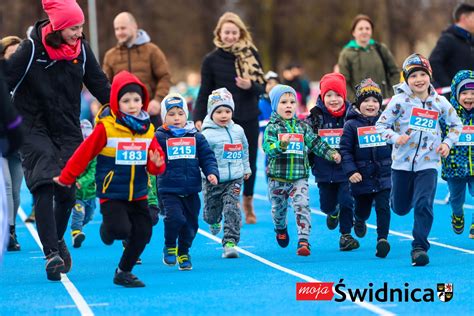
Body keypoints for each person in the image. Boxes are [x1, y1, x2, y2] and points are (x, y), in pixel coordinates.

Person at [5, 0, 111, 281]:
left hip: (66, 128)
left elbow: (99, 83)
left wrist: (122, 110)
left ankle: (58, 238)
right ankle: (51, 253)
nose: (79, 32)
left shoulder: (82, 51)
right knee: (43, 183)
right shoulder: (30, 49)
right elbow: (6, 82)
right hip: (32, 126)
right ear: (59, 26)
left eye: (81, 27)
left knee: (67, 190)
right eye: (74, 27)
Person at [55, 70, 166, 287]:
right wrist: (67, 177)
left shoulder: (148, 129)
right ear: (116, 102)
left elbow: (155, 166)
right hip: (112, 193)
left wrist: (157, 164)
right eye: (126, 100)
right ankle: (106, 229)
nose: (133, 104)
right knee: (120, 230)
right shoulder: (106, 128)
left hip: (138, 194)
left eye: (137, 99)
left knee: (143, 233)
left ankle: (123, 271)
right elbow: (83, 154)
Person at [376, 53, 462, 266]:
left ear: (429, 76)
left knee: (424, 203)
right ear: (406, 79)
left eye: (422, 74)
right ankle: (397, 200)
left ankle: (419, 247)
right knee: (400, 207)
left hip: (428, 163)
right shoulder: (399, 101)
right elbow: (380, 126)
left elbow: (456, 125)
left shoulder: (440, 102)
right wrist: (397, 138)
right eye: (413, 76)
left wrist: (447, 144)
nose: (419, 80)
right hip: (402, 164)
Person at [193, 12, 265, 224]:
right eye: (227, 32)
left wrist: (250, 85)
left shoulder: (251, 54)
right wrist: (198, 115)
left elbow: (263, 87)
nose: (231, 36)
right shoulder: (211, 60)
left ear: (240, 33)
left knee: (249, 161)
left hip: (248, 115)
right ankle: (219, 201)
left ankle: (248, 202)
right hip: (221, 119)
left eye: (234, 32)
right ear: (219, 34)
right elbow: (204, 90)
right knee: (218, 160)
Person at [263, 84, 341, 256]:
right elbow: (268, 148)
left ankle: (303, 241)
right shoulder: (272, 128)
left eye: (292, 101)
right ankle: (280, 228)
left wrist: (331, 153)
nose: (289, 105)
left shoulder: (302, 127)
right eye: (283, 102)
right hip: (278, 178)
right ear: (275, 106)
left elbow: (316, 143)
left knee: (302, 205)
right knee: (278, 210)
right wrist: (279, 145)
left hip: (299, 178)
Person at [157, 93, 219, 270]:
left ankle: (183, 251)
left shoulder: (196, 136)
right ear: (164, 117)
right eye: (171, 114)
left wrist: (211, 172)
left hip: (191, 189)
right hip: (169, 188)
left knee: (192, 225)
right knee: (174, 218)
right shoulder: (160, 137)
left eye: (180, 113)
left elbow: (207, 157)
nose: (176, 118)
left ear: (186, 115)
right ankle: (170, 245)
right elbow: (152, 157)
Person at [305, 73, 359, 251]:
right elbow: (305, 136)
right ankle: (332, 212)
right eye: (329, 95)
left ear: (344, 96)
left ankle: (346, 235)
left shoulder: (352, 116)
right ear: (322, 96)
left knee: (347, 201)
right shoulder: (315, 117)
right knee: (326, 206)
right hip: (324, 171)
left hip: (346, 169)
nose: (333, 99)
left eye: (337, 95)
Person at [340, 79, 392, 258]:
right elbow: (345, 151)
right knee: (363, 209)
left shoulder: (386, 123)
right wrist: (351, 171)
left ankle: (382, 239)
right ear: (358, 103)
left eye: (375, 101)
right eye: (366, 101)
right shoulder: (350, 125)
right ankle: (359, 219)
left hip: (384, 175)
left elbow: (394, 144)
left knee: (384, 207)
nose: (371, 105)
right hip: (361, 177)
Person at [201, 88, 251, 258]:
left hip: (234, 178)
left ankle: (230, 242)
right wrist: (206, 173)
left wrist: (246, 168)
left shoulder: (238, 130)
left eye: (228, 111)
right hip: (213, 180)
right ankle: (214, 221)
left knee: (232, 207)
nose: (224, 115)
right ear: (211, 112)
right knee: (210, 214)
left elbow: (244, 149)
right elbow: (201, 157)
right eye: (219, 111)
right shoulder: (206, 134)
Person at [103, 12, 171, 127]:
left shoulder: (152, 50)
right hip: (121, 117)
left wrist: (157, 100)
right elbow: (104, 84)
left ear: (134, 27)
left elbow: (165, 77)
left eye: (123, 28)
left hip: (150, 114)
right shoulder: (110, 55)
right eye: (117, 29)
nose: (119, 32)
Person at [440, 70, 474, 239]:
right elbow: (436, 133)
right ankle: (458, 214)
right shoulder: (448, 115)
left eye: (473, 93)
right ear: (456, 94)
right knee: (456, 199)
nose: (469, 97)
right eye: (465, 93)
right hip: (455, 166)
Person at [338, 14, 399, 101]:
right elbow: (344, 82)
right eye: (360, 29)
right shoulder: (346, 54)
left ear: (371, 31)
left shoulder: (381, 49)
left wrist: (390, 94)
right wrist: (354, 101)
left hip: (384, 102)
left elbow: (395, 73)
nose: (364, 31)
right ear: (353, 32)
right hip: (359, 105)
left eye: (367, 28)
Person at [1, 36, 24, 251]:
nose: (16, 58)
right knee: (6, 185)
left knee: (16, 191)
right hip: (2, 140)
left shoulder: (27, 78)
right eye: (11, 53)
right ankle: (8, 230)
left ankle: (12, 225)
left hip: (20, 141)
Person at [429, 3, 474, 90]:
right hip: (453, 96)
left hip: (469, 92)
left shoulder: (470, 40)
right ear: (464, 18)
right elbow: (434, 62)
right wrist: (450, 86)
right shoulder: (448, 39)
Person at [69, 119, 96, 248]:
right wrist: (75, 181)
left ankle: (79, 227)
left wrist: (83, 181)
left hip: (90, 192)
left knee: (89, 215)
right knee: (78, 212)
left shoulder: (94, 155)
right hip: (77, 193)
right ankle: (76, 233)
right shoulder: (73, 153)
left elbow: (93, 172)